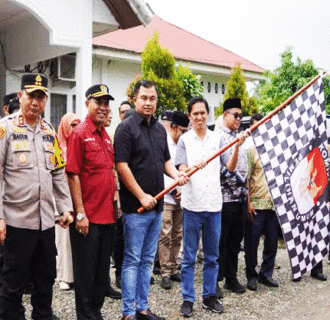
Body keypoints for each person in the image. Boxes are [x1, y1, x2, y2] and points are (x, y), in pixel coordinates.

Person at [0, 73, 73, 320]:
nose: (36, 102)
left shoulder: (49, 131)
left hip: (45, 221)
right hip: (16, 220)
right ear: (21, 96)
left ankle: (43, 314)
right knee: (14, 279)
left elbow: (58, 173)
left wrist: (65, 207)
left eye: (41, 97)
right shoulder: (5, 128)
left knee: (45, 276)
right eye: (31, 95)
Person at [114, 80, 188, 320]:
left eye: (152, 98)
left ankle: (142, 309)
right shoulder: (126, 128)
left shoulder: (159, 130)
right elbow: (121, 166)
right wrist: (141, 195)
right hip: (135, 210)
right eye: (144, 97)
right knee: (132, 261)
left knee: (147, 261)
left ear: (157, 101)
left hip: (157, 208)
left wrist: (177, 175)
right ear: (135, 99)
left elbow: (166, 161)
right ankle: (128, 313)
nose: (148, 102)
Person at [175, 97, 247, 317]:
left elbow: (231, 166)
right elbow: (181, 169)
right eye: (195, 113)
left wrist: (236, 147)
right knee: (188, 257)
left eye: (203, 113)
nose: (199, 117)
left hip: (215, 205)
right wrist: (186, 171)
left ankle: (209, 296)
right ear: (189, 116)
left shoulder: (217, 139)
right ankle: (188, 298)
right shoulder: (184, 140)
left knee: (212, 256)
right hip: (192, 205)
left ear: (208, 114)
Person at [66, 84, 117, 320]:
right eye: (99, 102)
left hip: (107, 216)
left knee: (101, 276)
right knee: (85, 276)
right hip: (88, 218)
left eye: (106, 103)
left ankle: (95, 313)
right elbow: (72, 173)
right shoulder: (79, 133)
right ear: (87, 104)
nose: (103, 107)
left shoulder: (106, 136)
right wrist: (80, 214)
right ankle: (86, 316)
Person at [244, 114, 280, 291]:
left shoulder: (275, 149)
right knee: (252, 243)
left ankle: (266, 274)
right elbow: (247, 179)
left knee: (272, 242)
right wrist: (248, 202)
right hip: (256, 204)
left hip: (273, 205)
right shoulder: (250, 150)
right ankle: (251, 275)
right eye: (255, 127)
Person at [218, 98, 249, 294]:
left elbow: (245, 167)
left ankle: (231, 277)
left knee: (236, 241)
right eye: (235, 115)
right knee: (220, 241)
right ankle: (215, 280)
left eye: (240, 115)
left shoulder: (241, 137)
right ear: (225, 115)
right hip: (224, 198)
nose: (238, 119)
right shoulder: (218, 137)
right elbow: (225, 169)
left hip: (241, 198)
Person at [158, 111, 189, 290]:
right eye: (183, 130)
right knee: (165, 234)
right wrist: (174, 186)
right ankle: (164, 272)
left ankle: (173, 267)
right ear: (174, 128)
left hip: (182, 196)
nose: (184, 134)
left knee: (178, 234)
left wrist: (182, 189)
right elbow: (162, 169)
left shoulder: (184, 145)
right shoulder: (165, 143)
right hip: (167, 195)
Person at [56, 112, 81, 291]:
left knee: (78, 239)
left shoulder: (78, 144)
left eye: (77, 125)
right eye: (72, 125)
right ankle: (64, 276)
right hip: (60, 199)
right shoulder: (56, 146)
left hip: (77, 197)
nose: (74, 128)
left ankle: (77, 276)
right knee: (63, 240)